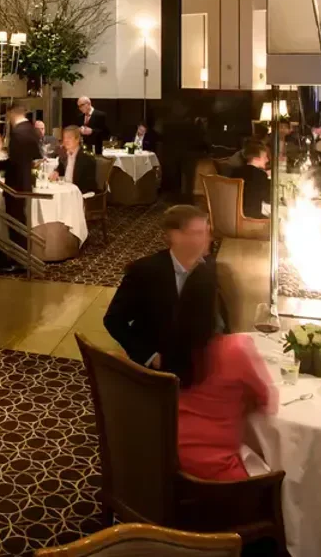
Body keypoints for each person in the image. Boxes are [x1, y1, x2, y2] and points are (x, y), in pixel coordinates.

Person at [162, 264, 276, 481]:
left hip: (168, 465)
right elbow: (266, 400)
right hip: (219, 477)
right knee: (281, 476)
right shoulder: (237, 349)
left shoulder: (170, 345)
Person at [103, 205, 214, 366]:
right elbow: (114, 320)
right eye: (198, 233)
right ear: (175, 236)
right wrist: (150, 357)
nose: (207, 239)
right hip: (159, 366)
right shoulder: (144, 272)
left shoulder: (210, 269)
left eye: (206, 232)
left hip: (199, 363)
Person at [0, 105, 40, 273]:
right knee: (21, 220)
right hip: (25, 182)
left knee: (15, 222)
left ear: (11, 113)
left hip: (15, 184)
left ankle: (18, 260)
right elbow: (35, 155)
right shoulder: (31, 130)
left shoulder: (17, 133)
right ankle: (23, 258)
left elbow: (14, 163)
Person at [230, 140, 271, 219]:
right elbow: (269, 198)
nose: (267, 160)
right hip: (251, 219)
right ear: (256, 158)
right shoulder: (260, 175)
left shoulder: (235, 171)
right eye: (265, 157)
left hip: (234, 216)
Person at [50, 125, 97, 194]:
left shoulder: (87, 158)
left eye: (69, 138)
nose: (65, 140)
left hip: (80, 194)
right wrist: (56, 172)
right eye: (64, 138)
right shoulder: (64, 155)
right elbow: (60, 170)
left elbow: (88, 186)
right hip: (65, 191)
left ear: (77, 139)